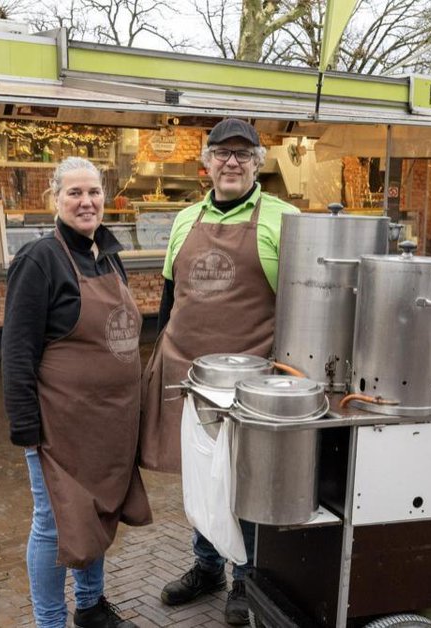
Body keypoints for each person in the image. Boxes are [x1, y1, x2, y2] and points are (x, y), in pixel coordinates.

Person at [139, 118, 299, 626]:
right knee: (203, 477)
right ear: (205, 162)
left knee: (245, 481)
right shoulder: (185, 219)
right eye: (222, 154)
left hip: (254, 381)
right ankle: (207, 566)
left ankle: (247, 577)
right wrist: (166, 353)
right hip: (192, 375)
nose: (231, 162)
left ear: (259, 162)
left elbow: (301, 304)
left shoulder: (285, 218)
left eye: (242, 154)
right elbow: (170, 298)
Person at [2, 157, 152, 628]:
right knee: (54, 524)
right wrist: (25, 426)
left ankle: (90, 607)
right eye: (74, 193)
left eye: (93, 192)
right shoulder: (40, 259)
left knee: (97, 515)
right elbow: (17, 351)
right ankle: (51, 621)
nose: (86, 202)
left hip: (108, 426)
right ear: (55, 199)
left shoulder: (106, 254)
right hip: (59, 427)